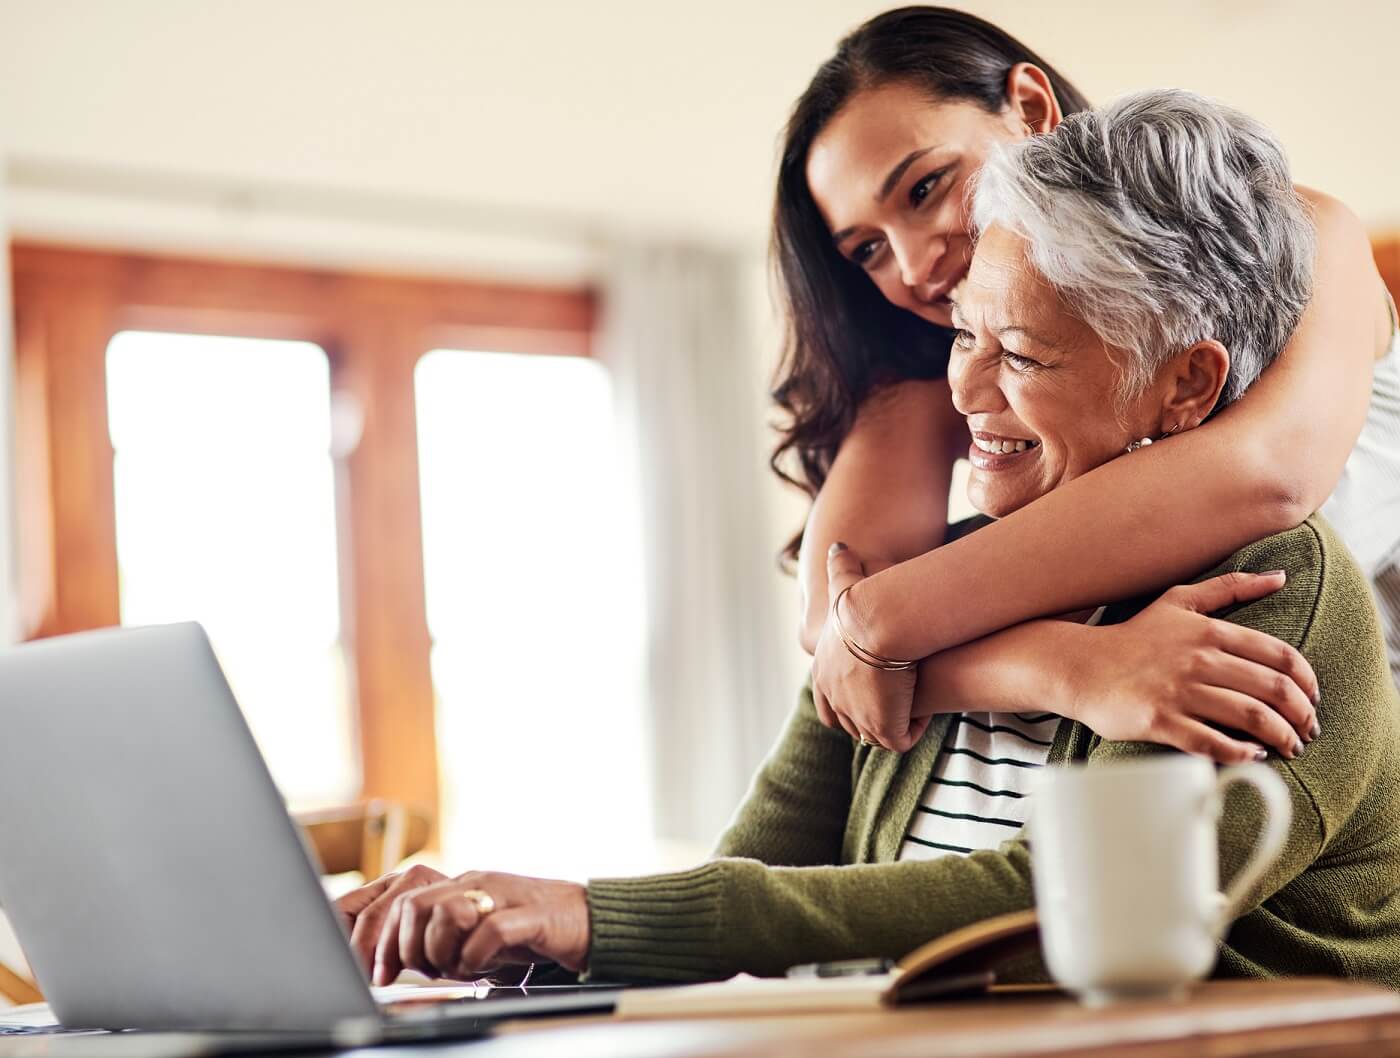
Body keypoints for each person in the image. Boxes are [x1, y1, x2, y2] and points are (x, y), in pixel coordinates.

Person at [337, 91, 1400, 989]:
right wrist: (515, 925)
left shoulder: (1269, 589)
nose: (967, 391)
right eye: (963, 334)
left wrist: (588, 915)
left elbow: (1047, 902)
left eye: (1022, 354)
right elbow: (757, 863)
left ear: (1183, 385)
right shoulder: (943, 573)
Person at [773, 8, 1399, 754]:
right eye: (869, 249)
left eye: (924, 189)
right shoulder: (934, 366)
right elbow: (834, 628)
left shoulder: (1304, 235)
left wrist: (886, 623)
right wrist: (1065, 670)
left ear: (1031, 109)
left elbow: (1268, 477)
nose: (913, 268)